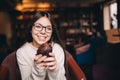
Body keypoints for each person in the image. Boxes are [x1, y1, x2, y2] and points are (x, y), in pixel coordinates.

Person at [16, 12, 66, 80]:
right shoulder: (22, 52)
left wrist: (54, 70)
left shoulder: (57, 49)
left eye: (48, 28)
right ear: (31, 29)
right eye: (38, 26)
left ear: (52, 32)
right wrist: (37, 71)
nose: (43, 32)